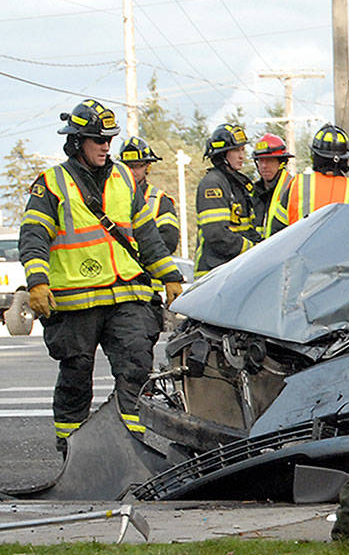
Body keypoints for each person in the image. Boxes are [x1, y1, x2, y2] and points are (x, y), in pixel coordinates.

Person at [18, 99, 183, 455]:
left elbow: (147, 236)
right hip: (76, 299)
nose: (106, 146)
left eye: (109, 138)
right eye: (98, 139)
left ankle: (128, 447)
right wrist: (37, 282)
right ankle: (73, 452)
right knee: (76, 377)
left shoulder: (124, 177)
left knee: (137, 366)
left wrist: (169, 276)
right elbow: (33, 237)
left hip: (126, 294)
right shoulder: (51, 183)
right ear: (77, 142)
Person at [118, 136, 180, 345]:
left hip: (148, 290)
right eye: (128, 166)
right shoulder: (112, 197)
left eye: (138, 166)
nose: (132, 171)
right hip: (118, 291)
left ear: (147, 168)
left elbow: (168, 241)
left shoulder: (159, 200)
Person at [267, 123, 349, 235]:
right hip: (346, 252)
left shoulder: (298, 184)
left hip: (300, 252)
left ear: (315, 156)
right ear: (345, 159)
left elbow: (276, 231)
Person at [194, 123, 259, 278]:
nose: (242, 156)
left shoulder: (237, 184)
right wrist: (252, 249)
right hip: (214, 273)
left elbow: (246, 228)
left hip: (232, 270)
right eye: (236, 150)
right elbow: (217, 234)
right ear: (222, 154)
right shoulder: (213, 184)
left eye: (242, 149)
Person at [250, 133, 294, 237]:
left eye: (269, 161)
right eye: (261, 161)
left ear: (281, 163)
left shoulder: (292, 188)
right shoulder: (253, 193)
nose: (264, 166)